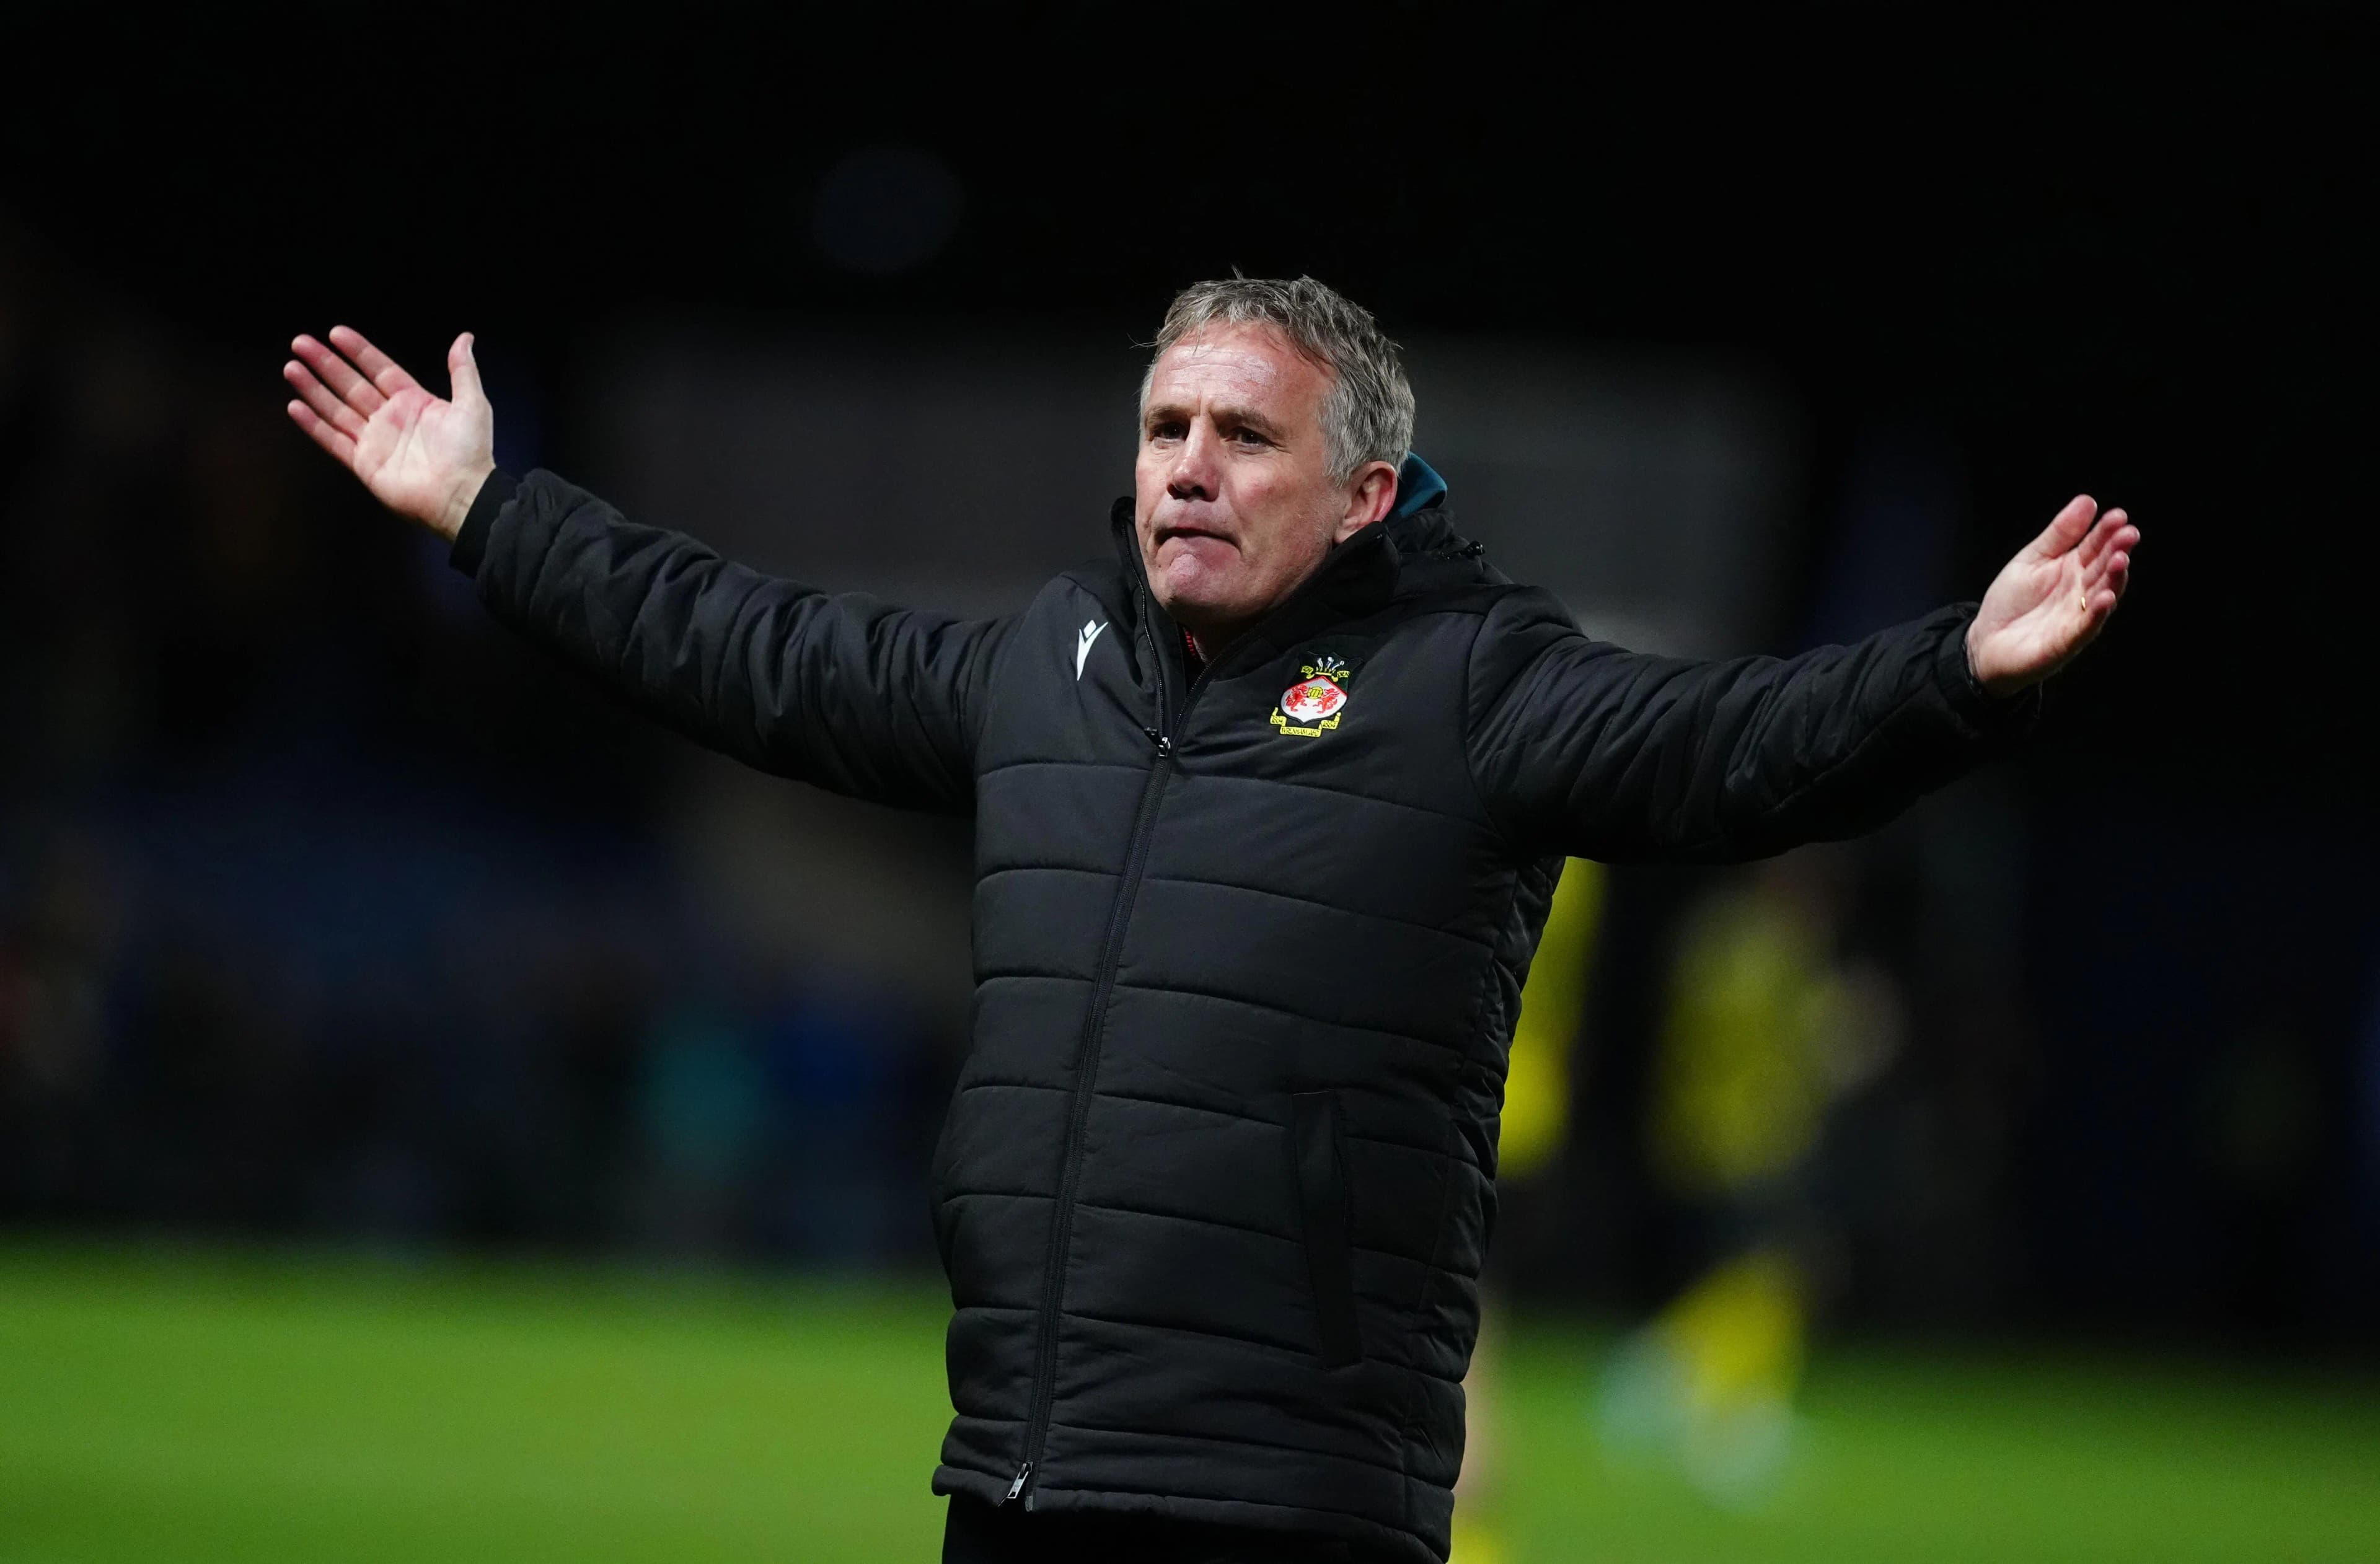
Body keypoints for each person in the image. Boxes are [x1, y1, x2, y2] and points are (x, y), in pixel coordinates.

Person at [281, 277, 2136, 1563]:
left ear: (1366, 494)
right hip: (1021, 1467)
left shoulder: (1471, 684)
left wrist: (1955, 677)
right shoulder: (1052, 666)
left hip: (1293, 1490)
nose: (1186, 462)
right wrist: (488, 511)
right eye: (1167, 423)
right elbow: (746, 648)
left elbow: (1730, 748)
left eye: (1245, 434)